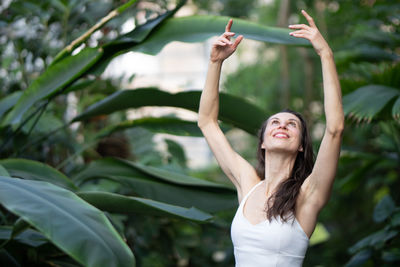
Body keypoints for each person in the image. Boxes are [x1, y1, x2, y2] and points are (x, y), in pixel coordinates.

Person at [197, 10, 344, 266]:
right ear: (263, 141)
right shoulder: (247, 184)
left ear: (301, 146)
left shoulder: (307, 194)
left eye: (292, 125)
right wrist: (215, 64)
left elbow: (335, 128)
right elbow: (207, 123)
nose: (282, 125)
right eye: (274, 122)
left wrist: (325, 54)